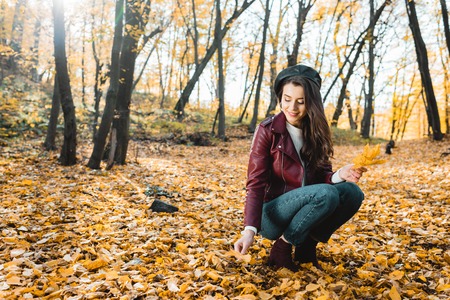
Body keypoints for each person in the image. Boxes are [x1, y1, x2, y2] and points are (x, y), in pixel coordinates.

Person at [234, 64, 367, 271]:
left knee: (352, 192)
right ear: (280, 98)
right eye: (287, 100)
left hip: (307, 207)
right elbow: (255, 183)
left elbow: (321, 179)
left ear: (311, 103)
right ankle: (282, 247)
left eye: (301, 102)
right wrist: (249, 230)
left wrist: (340, 174)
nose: (292, 108)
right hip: (272, 213)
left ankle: (306, 245)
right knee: (326, 194)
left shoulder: (317, 131)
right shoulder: (267, 130)